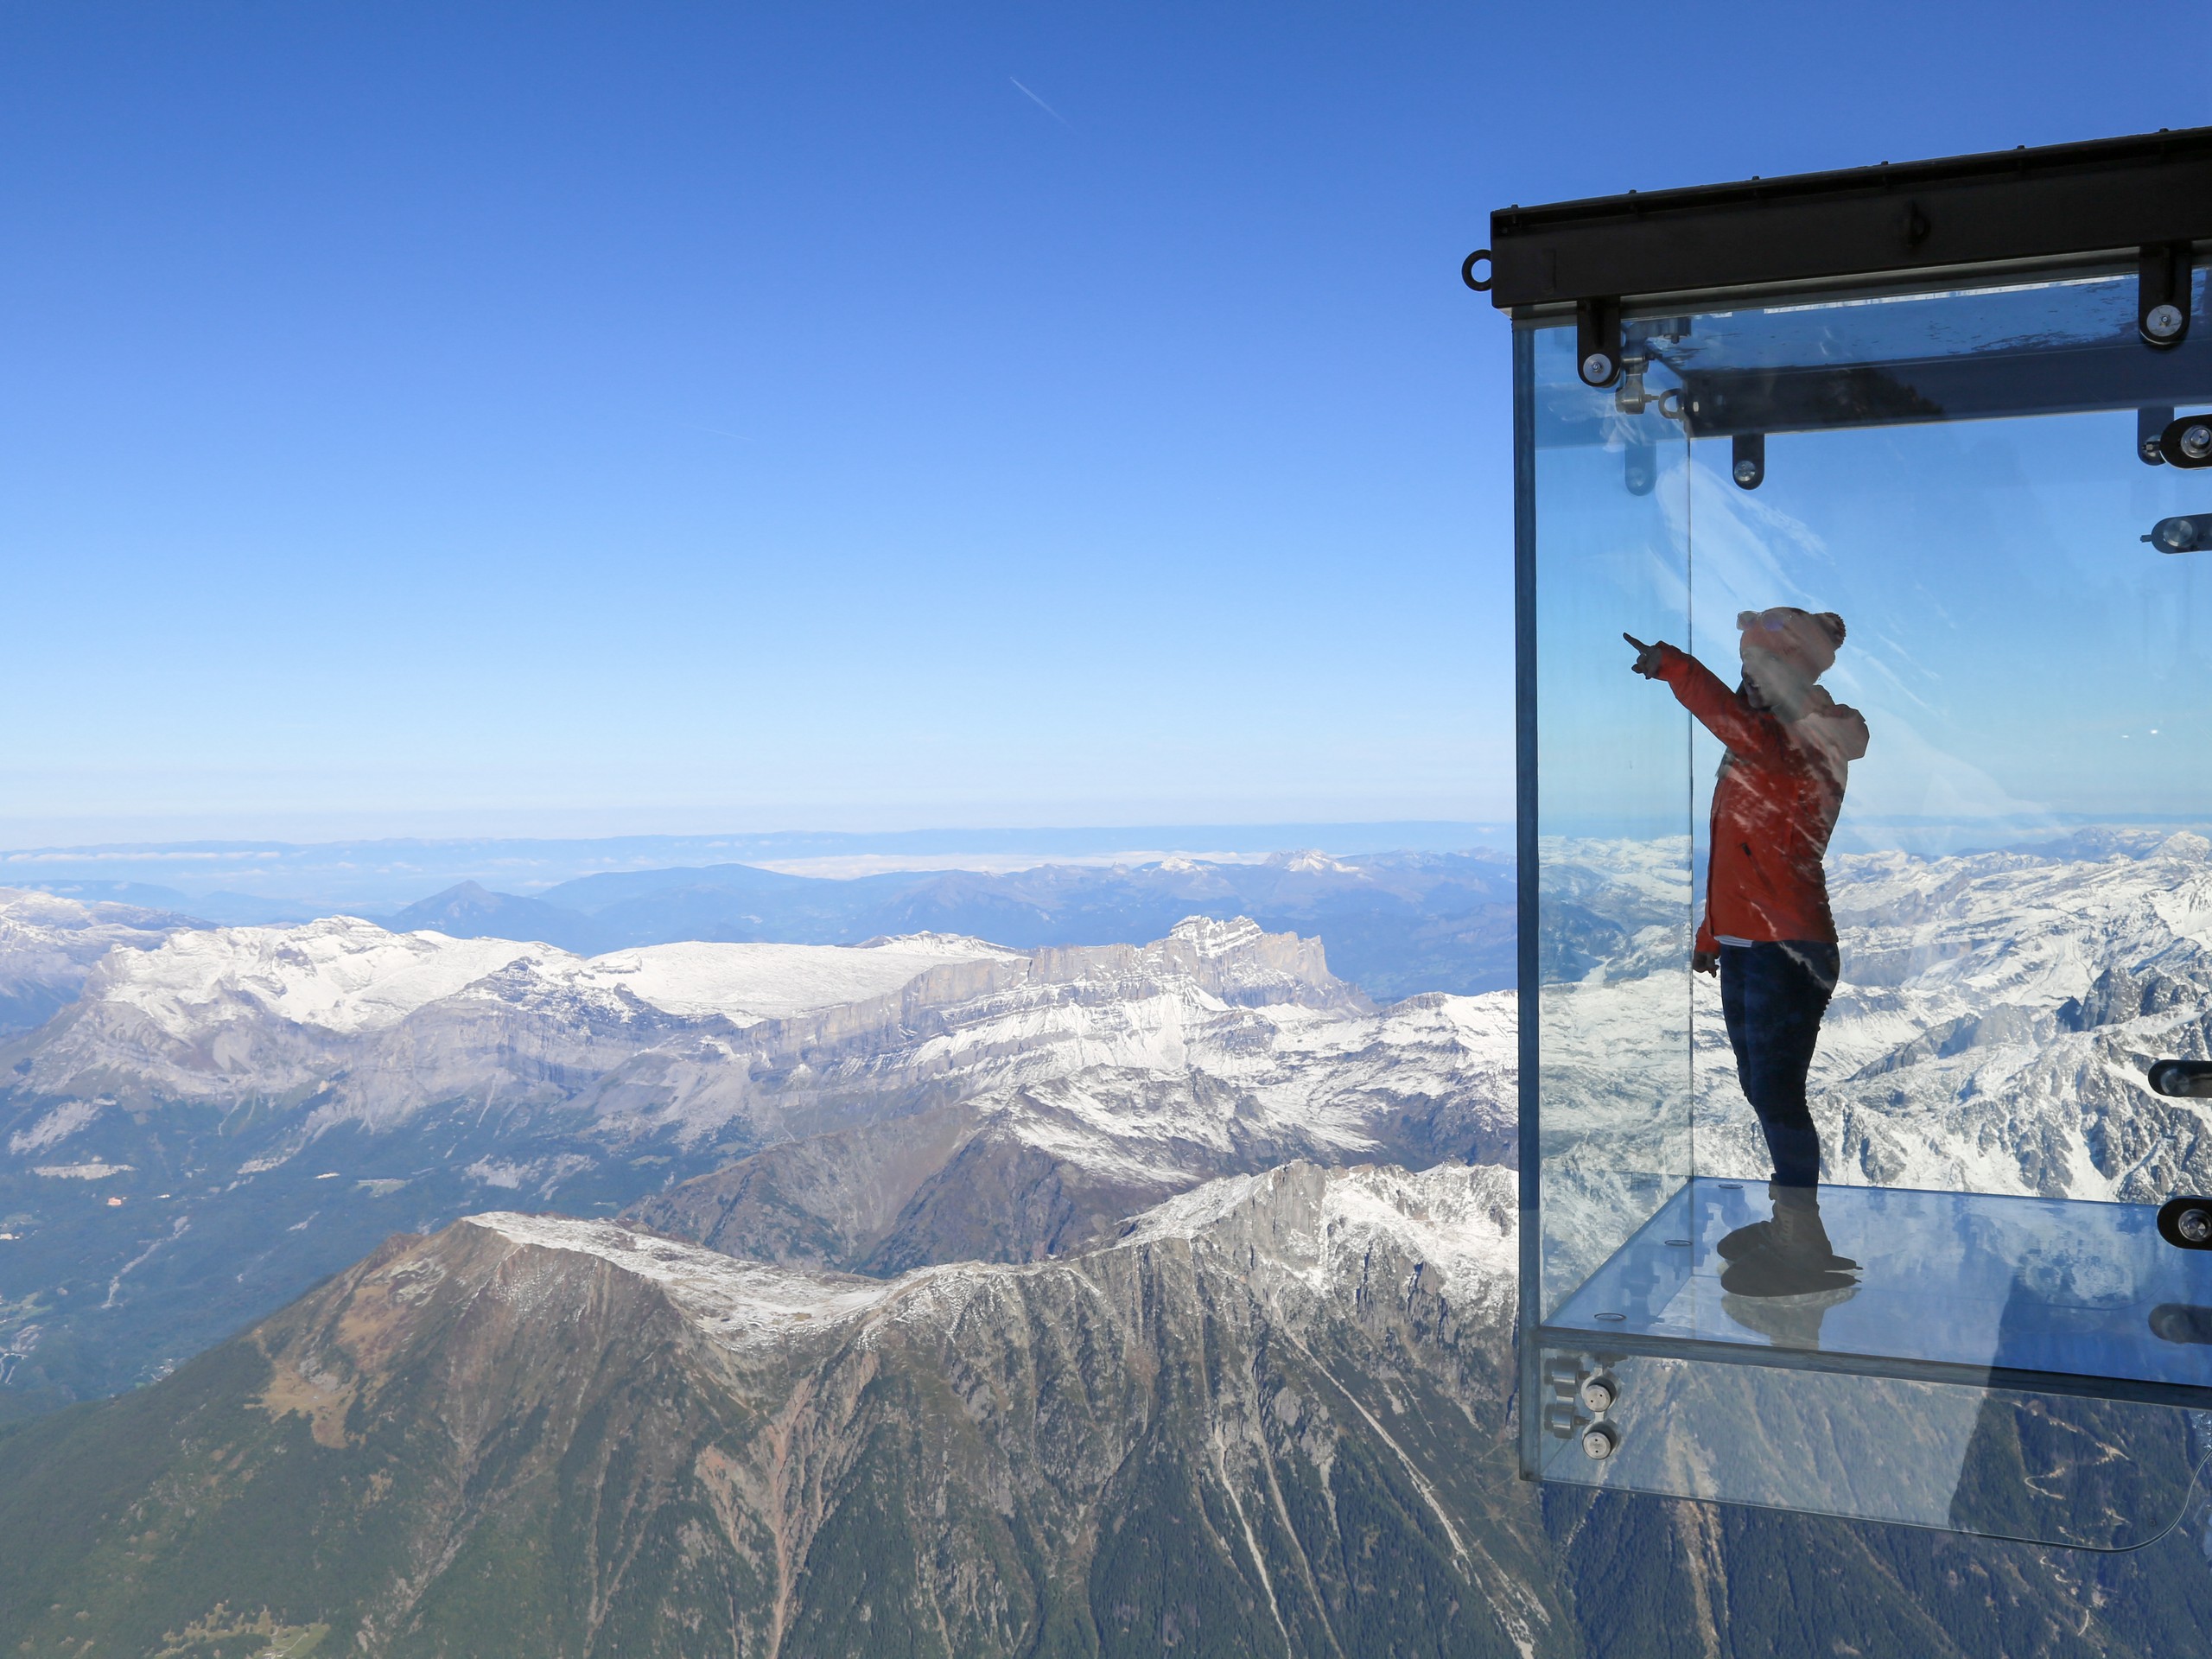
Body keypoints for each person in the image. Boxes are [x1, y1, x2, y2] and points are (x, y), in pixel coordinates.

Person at [1624, 608, 1869, 1297]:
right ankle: (1789, 1224)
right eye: (1745, 671)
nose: (1749, 684)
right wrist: (1713, 935)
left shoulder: (1799, 741)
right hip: (1751, 941)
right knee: (1761, 1087)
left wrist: (1674, 665)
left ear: (1796, 677)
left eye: (1762, 671)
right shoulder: (1769, 740)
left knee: (1777, 1091)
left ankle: (1802, 1234)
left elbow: (1735, 724)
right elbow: (1739, 853)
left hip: (1786, 945)